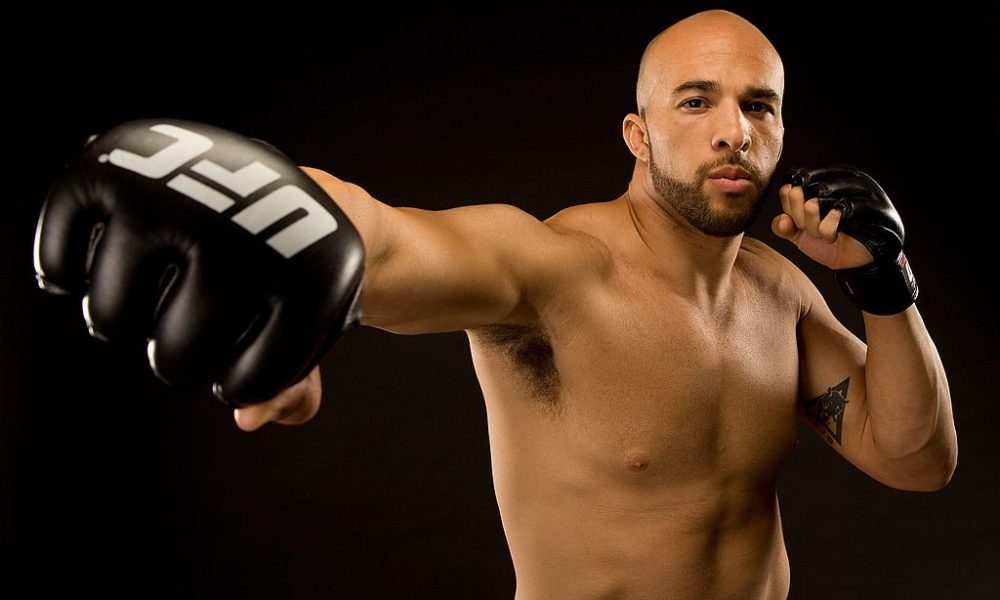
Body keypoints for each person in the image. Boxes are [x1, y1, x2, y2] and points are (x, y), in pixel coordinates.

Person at [32, 9, 957, 600]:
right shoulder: (556, 269)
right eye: (696, 101)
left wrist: (884, 284)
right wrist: (278, 207)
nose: (732, 130)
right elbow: (390, 238)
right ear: (637, 134)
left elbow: (917, 461)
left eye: (760, 106)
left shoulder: (780, 292)